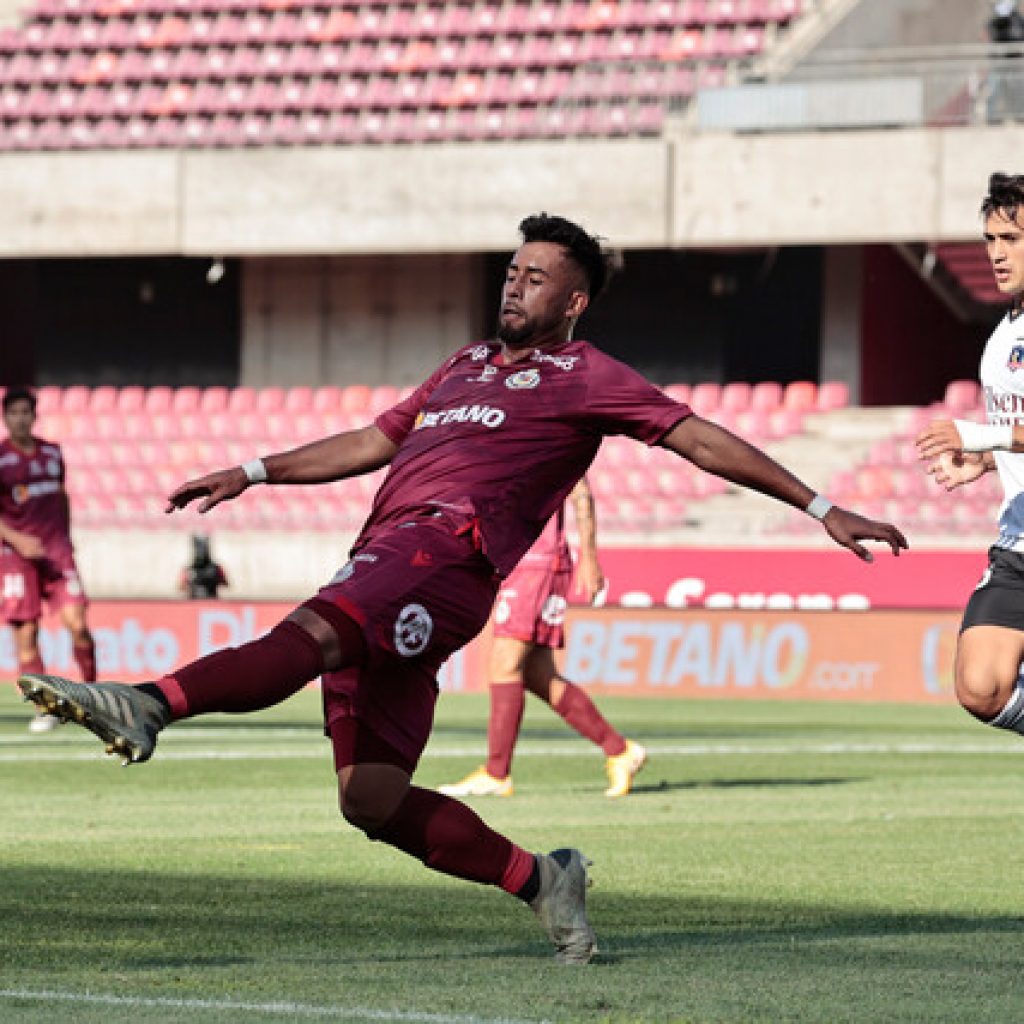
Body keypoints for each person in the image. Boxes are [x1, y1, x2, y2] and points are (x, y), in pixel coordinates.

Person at [18, 213, 907, 965]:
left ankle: (146, 703)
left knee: (314, 633)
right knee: (369, 799)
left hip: (446, 555)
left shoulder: (588, 375)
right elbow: (372, 441)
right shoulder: (462, 365)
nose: (515, 286)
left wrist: (820, 505)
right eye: (513, 271)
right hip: (389, 554)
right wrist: (253, 470)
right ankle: (543, 880)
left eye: (537, 277)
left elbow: (697, 437)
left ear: (574, 301)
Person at [439, 476, 647, 799]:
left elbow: (581, 491)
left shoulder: (550, 428)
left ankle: (496, 773)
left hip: (537, 562)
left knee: (504, 664)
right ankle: (620, 751)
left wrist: (589, 558)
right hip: (517, 562)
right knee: (539, 674)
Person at [917, 172, 1024, 738]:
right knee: (980, 688)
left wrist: (983, 439)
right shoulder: (1002, 336)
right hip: (1019, 546)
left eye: (1013, 238)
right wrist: (983, 461)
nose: (998, 254)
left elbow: (1004, 432)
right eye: (991, 239)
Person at [0, 386, 96, 733]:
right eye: (14, 413)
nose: (20, 419)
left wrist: (67, 538)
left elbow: (61, 495)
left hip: (56, 550)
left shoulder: (52, 453)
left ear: (34, 416)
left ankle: (93, 698)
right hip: (15, 556)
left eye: (26, 412)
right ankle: (46, 709)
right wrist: (17, 539)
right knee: (27, 634)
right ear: (5, 418)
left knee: (79, 625)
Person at [178, 533, 228, 600]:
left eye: (204, 548)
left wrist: (212, 579)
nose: (201, 551)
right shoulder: (189, 569)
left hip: (211, 602)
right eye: (199, 548)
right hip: (193, 603)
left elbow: (225, 584)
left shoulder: (216, 568)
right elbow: (181, 587)